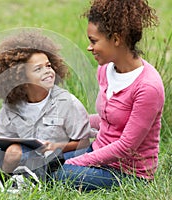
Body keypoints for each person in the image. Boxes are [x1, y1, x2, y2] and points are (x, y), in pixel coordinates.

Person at [55, 0, 165, 192]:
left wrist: (77, 162)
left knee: (60, 172)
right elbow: (108, 120)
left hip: (127, 173)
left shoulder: (148, 87)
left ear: (116, 39)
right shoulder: (105, 69)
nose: (89, 47)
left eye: (94, 41)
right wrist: (68, 121)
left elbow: (126, 147)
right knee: (47, 158)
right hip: (98, 152)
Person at [0, 31, 94, 177]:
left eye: (48, 65)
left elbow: (84, 143)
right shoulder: (12, 105)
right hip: (15, 154)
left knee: (14, 152)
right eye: (38, 69)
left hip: (50, 158)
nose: (48, 71)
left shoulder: (67, 103)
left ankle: (1, 180)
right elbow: (2, 139)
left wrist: (56, 147)